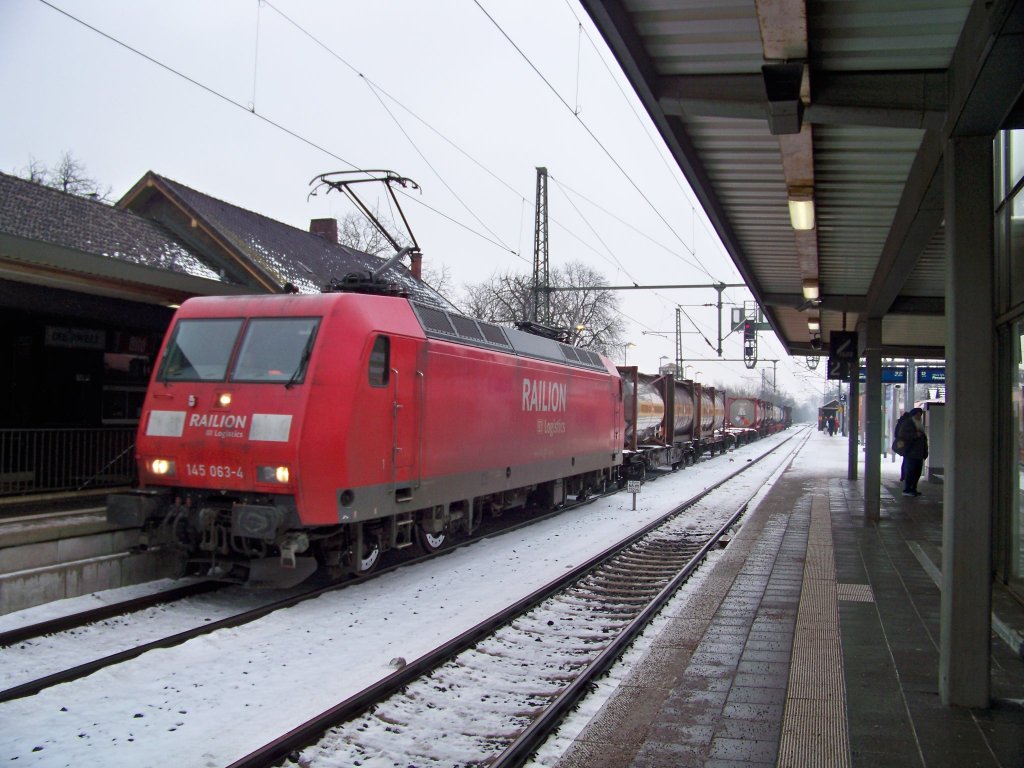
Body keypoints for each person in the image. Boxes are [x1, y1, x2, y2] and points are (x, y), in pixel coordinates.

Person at [896, 407, 928, 496]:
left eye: (920, 415)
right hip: (911, 452)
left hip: (919, 453)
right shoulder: (908, 423)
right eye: (917, 415)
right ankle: (907, 489)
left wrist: (925, 452)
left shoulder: (919, 424)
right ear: (913, 415)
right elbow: (902, 434)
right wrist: (915, 435)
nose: (919, 416)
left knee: (917, 472)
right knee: (910, 471)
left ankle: (913, 488)